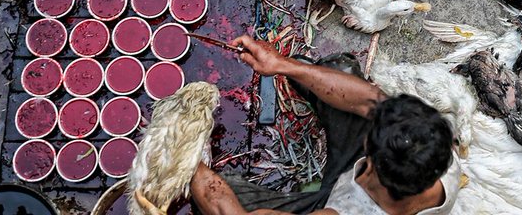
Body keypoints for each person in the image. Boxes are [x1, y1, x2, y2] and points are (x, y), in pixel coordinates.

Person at [185, 35, 460, 215]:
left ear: (372, 160)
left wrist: (182, 155)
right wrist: (282, 65)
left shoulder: (351, 211)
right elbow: (369, 101)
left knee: (226, 194)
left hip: (336, 202)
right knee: (340, 71)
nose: (373, 112)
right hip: (363, 180)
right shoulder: (432, 150)